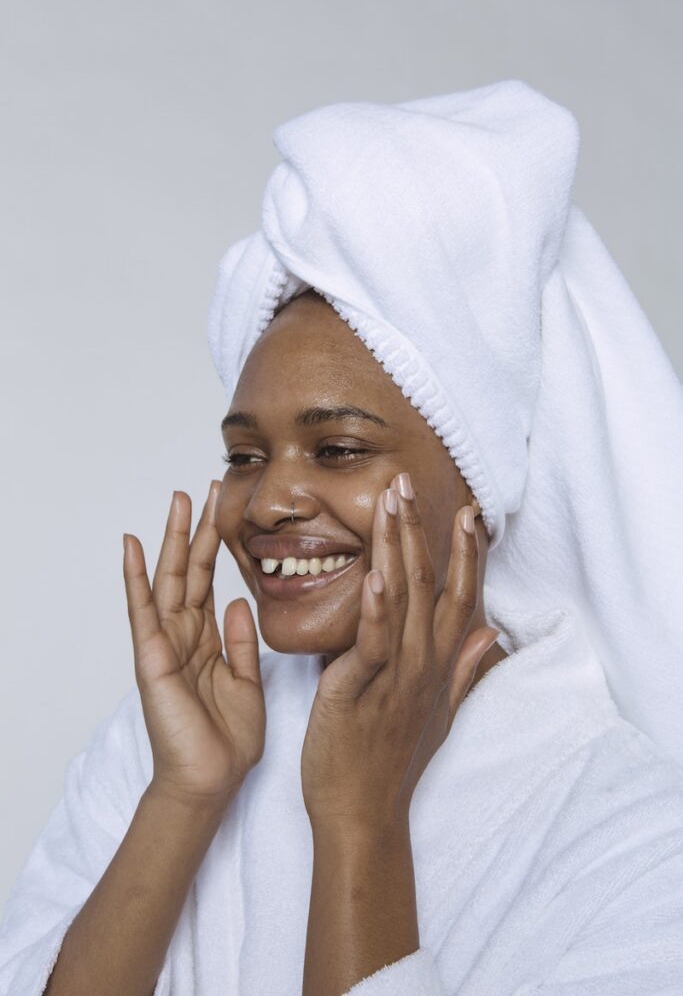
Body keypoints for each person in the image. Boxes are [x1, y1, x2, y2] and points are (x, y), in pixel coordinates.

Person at [1, 79, 682, 996]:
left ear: (480, 480)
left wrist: (360, 819)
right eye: (244, 455)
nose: (269, 499)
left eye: (339, 448)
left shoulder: (630, 833)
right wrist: (184, 795)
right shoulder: (170, 745)